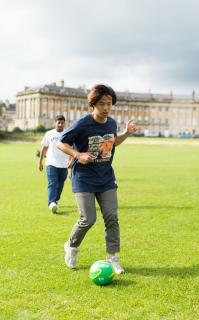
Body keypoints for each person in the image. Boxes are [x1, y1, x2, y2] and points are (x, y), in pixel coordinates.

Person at [57, 84, 136, 274]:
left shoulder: (111, 123)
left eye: (109, 104)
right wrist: (78, 155)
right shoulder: (82, 124)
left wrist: (126, 133)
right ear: (93, 104)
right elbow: (61, 143)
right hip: (83, 178)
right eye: (102, 104)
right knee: (88, 219)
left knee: (112, 218)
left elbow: (112, 142)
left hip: (106, 177)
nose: (106, 108)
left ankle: (113, 259)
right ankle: (72, 247)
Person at [38, 115, 69, 213]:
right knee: (52, 183)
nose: (60, 124)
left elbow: (72, 147)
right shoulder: (49, 133)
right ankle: (51, 203)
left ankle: (55, 200)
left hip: (64, 165)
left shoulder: (68, 133)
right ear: (54, 123)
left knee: (60, 185)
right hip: (51, 163)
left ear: (64, 123)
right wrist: (40, 162)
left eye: (62, 123)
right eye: (58, 122)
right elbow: (44, 148)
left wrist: (71, 160)